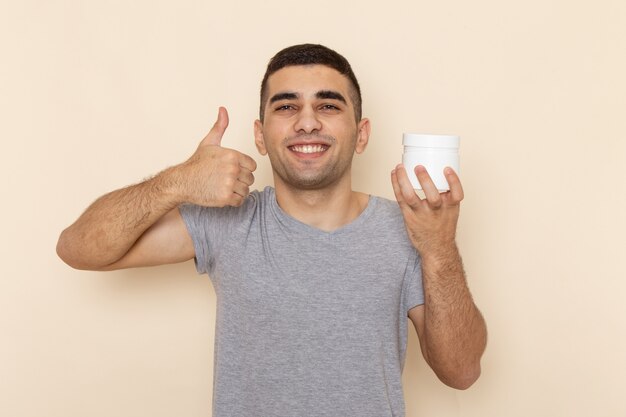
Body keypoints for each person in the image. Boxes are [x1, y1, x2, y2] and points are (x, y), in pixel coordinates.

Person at [57, 44, 487, 417]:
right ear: (260, 137)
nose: (306, 123)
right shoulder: (228, 220)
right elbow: (77, 248)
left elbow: (461, 371)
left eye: (328, 105)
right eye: (286, 106)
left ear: (361, 134)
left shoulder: (409, 228)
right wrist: (178, 181)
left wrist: (439, 247)